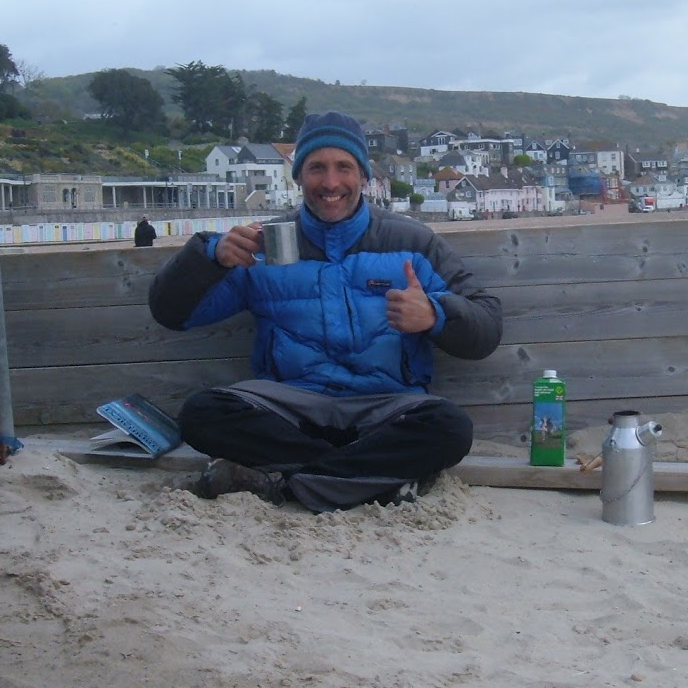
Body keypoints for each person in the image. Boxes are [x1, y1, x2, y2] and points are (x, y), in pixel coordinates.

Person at [149, 111, 502, 511]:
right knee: (202, 414)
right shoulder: (263, 245)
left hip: (385, 408)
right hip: (289, 408)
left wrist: (436, 316)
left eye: (344, 168)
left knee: (449, 428)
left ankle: (286, 483)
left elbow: (486, 325)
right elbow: (171, 313)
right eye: (317, 168)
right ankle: (365, 480)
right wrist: (210, 256)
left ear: (364, 175)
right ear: (298, 176)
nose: (330, 183)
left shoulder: (412, 242)